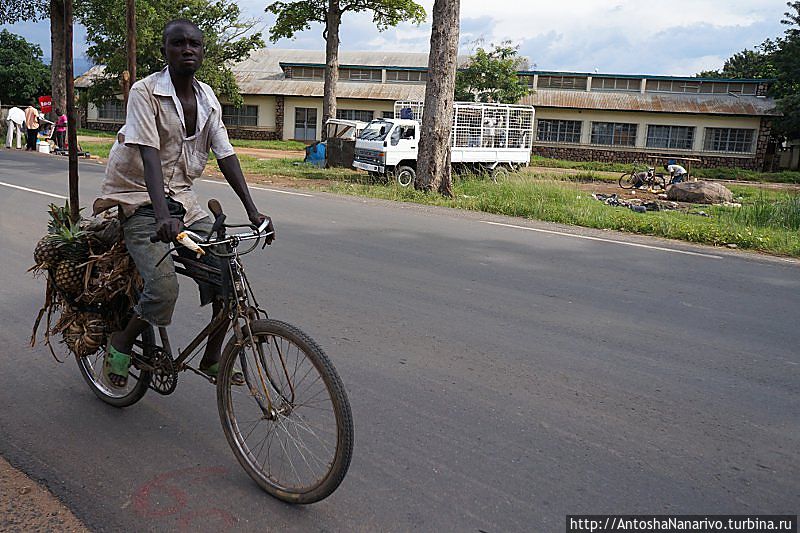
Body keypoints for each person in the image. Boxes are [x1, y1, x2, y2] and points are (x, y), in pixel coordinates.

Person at [92, 18, 275, 387]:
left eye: (194, 44)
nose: (187, 49)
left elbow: (226, 155)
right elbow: (148, 156)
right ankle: (121, 343)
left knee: (230, 282)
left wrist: (254, 212)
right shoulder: (145, 93)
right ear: (165, 51)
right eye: (178, 43)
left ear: (202, 51)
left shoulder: (208, 99)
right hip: (139, 198)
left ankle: (212, 359)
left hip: (182, 199)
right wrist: (163, 217)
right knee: (162, 288)